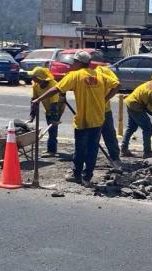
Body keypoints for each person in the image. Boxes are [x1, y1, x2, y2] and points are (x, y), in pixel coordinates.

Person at [33, 51, 119, 185]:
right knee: (92, 149)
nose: (72, 64)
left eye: (74, 62)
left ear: (79, 63)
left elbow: (56, 89)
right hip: (98, 118)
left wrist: (39, 99)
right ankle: (87, 177)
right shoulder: (99, 75)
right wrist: (105, 99)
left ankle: (77, 175)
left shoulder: (74, 75)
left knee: (80, 149)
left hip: (83, 120)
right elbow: (117, 85)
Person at [120, 74, 152, 159]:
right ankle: (147, 152)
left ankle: (124, 149)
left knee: (131, 127)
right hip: (135, 105)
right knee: (148, 128)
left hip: (130, 100)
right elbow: (149, 110)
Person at [29, 67, 64, 157]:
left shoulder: (52, 85)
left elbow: (54, 104)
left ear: (40, 78)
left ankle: (52, 150)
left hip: (57, 107)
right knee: (50, 127)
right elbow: (34, 100)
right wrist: (32, 116)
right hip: (48, 107)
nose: (32, 79)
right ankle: (51, 149)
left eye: (34, 77)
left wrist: (54, 118)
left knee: (52, 128)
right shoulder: (35, 85)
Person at [95, 65, 122, 168]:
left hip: (103, 110)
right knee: (93, 137)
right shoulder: (83, 72)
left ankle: (115, 158)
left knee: (109, 135)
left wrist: (104, 100)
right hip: (93, 111)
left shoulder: (103, 70)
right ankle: (89, 161)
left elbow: (117, 84)